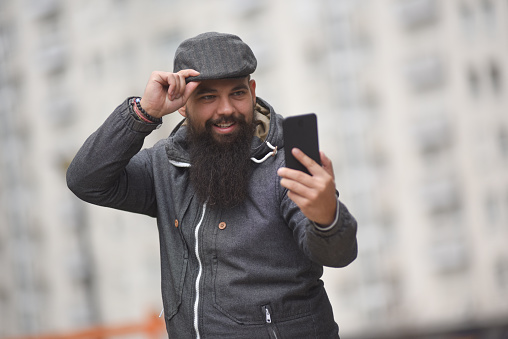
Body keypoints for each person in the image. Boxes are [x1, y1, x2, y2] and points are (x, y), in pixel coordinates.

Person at [67, 32, 358, 338]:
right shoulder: (165, 168)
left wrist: (328, 217)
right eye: (207, 97)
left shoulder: (285, 166)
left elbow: (338, 254)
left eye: (237, 93)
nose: (226, 109)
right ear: (181, 104)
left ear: (253, 91)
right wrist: (144, 112)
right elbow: (86, 180)